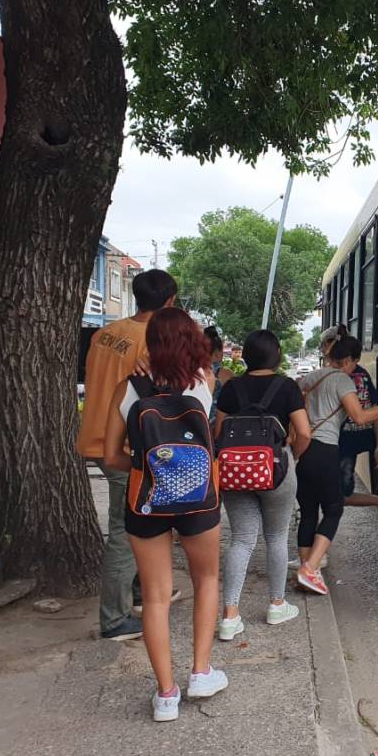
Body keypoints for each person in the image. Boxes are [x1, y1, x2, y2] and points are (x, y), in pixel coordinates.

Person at [102, 307, 227, 722]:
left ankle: (166, 696)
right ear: (191, 341)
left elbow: (109, 456)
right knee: (206, 579)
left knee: (155, 596)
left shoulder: (127, 388)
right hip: (199, 501)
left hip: (147, 502)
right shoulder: (203, 382)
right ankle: (201, 672)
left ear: (149, 343)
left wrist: (147, 470)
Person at [77, 270, 178, 641]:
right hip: (125, 444)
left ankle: (138, 591)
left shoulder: (105, 333)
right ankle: (115, 617)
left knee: (136, 519)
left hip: (98, 436)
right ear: (170, 301)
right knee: (125, 530)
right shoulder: (154, 338)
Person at [213, 329, 311, 638]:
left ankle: (229, 616)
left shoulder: (231, 388)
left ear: (246, 356)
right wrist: (291, 455)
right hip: (277, 469)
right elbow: (305, 433)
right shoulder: (287, 387)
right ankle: (276, 604)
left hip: (235, 472)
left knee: (241, 539)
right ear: (278, 355)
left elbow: (219, 433)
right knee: (277, 536)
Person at [295, 326, 378, 595]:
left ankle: (306, 569)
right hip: (326, 450)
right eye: (354, 362)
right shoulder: (343, 380)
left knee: (309, 512)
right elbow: (359, 417)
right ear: (347, 360)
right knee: (333, 509)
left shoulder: (308, 379)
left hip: (303, 451)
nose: (354, 367)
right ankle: (310, 569)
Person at [339, 341, 378, 510]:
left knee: (343, 490)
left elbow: (374, 409)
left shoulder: (361, 376)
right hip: (347, 439)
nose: (344, 366)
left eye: (348, 362)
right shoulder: (343, 376)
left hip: (347, 439)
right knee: (343, 490)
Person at [203, 326, 236, 423]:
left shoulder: (191, 372)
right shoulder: (227, 374)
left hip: (196, 423)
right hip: (218, 425)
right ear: (218, 352)